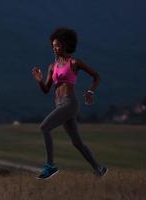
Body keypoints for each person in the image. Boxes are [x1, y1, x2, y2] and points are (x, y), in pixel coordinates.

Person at [31, 27, 107, 179]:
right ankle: (98, 169)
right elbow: (46, 89)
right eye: (53, 46)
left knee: (44, 127)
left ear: (65, 45)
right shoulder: (52, 66)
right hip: (59, 104)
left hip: (70, 103)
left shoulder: (74, 62)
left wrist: (91, 91)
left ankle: (50, 165)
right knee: (77, 143)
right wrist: (39, 81)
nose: (55, 49)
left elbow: (97, 76)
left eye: (57, 46)